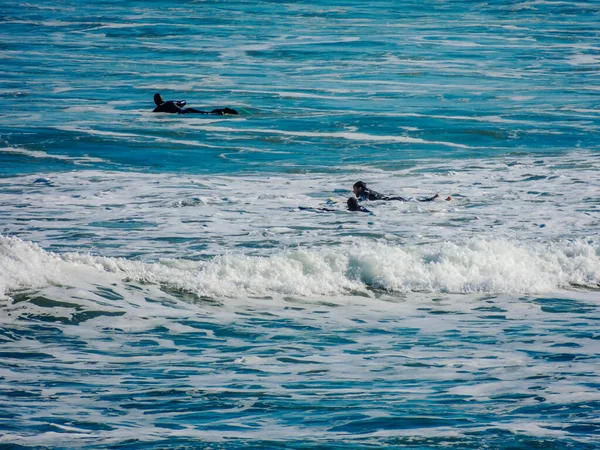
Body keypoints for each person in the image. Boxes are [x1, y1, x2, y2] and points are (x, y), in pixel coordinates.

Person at [352, 181, 452, 202]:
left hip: (392, 201)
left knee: (416, 202)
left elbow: (364, 201)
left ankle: (435, 199)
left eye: (354, 189)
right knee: (416, 201)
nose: (353, 191)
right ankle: (437, 198)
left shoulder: (365, 193)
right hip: (393, 200)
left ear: (359, 188)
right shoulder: (366, 191)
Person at [152, 93, 238, 115]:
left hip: (182, 113)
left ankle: (222, 111)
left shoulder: (157, 109)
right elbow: (183, 102)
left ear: (156, 102)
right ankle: (223, 111)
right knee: (206, 113)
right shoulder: (171, 102)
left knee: (207, 114)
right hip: (186, 111)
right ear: (162, 99)